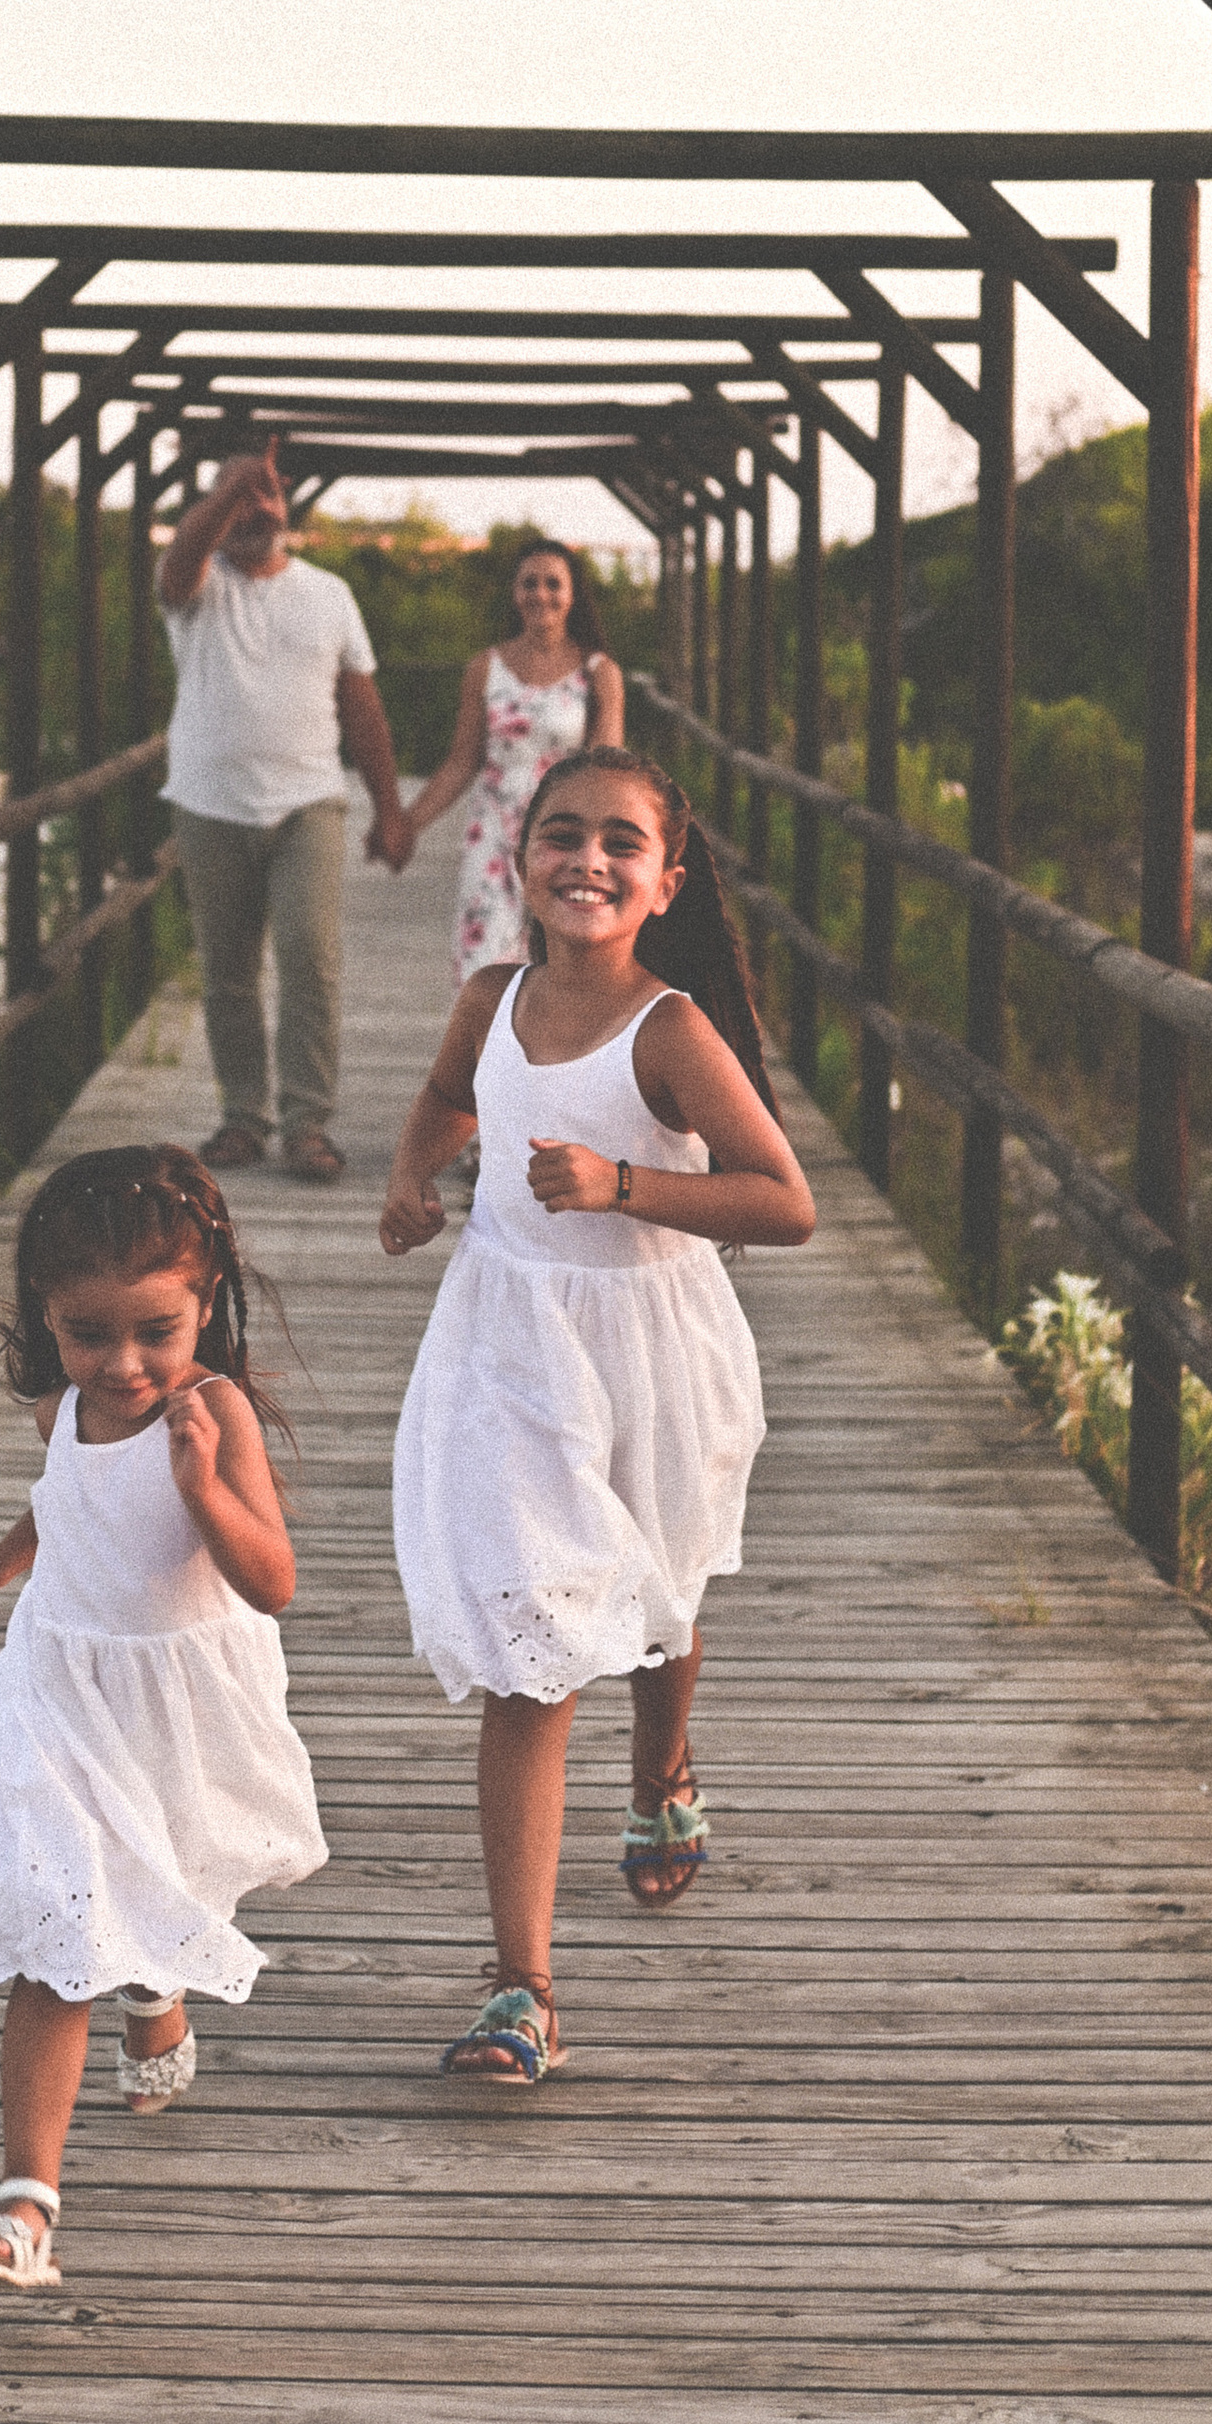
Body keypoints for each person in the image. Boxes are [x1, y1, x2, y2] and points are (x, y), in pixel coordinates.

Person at [377, 747, 814, 2088]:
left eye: (622, 841)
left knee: (662, 1599)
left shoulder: (671, 1030)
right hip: (511, 1342)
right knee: (534, 1646)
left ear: (664, 880)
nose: (589, 859)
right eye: (560, 834)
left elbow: (784, 1199)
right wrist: (411, 1177)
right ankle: (524, 1987)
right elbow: (452, 1097)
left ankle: (661, 1762)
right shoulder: (489, 999)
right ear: (520, 859)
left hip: (652, 1348)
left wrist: (625, 1180)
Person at [0, 1145, 325, 2290]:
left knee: (157, 1885)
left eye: (156, 1331)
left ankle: (161, 1991)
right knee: (58, 1929)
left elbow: (273, 1579)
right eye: (90, 1334)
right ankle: (23, 2204)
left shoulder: (213, 1412)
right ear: (48, 1315)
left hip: (176, 1695)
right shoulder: (61, 1408)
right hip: (56, 1688)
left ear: (204, 1306)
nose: (123, 1363)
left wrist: (200, 1488)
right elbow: (61, 1509)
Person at [158, 436, 413, 1183]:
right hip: (209, 805)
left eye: (262, 500)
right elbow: (180, 563)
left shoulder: (328, 593)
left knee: (310, 959)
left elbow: (362, 707)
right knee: (227, 971)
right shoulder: (195, 588)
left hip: (309, 804)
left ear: (288, 506)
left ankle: (307, 1123)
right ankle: (244, 1117)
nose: (247, 515)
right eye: (232, 503)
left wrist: (389, 809)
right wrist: (230, 487)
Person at [403, 538, 626, 986]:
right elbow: (462, 762)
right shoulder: (486, 668)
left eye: (553, 584)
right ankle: (484, 1056)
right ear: (514, 592)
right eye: (529, 583)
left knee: (557, 970)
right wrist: (404, 825)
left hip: (562, 840)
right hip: (493, 839)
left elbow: (607, 772)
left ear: (572, 595)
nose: (540, 594)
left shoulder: (598, 671)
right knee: (484, 970)